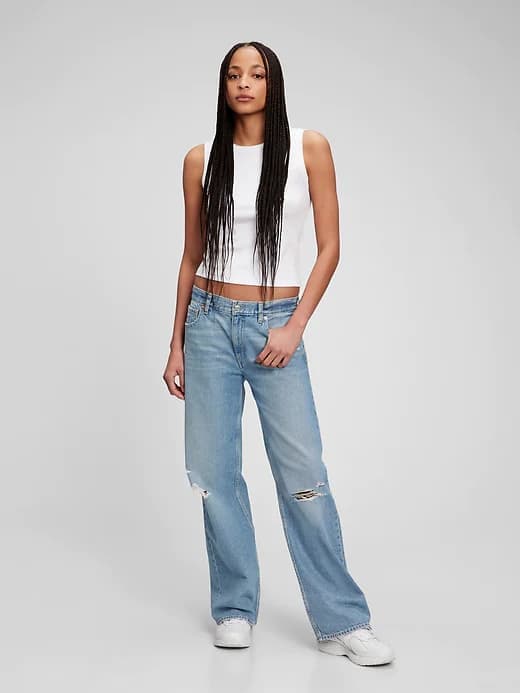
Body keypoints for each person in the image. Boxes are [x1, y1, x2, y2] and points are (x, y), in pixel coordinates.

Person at [163, 41, 395, 666]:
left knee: (303, 475)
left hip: (275, 324)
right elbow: (190, 256)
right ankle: (234, 607)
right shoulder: (200, 159)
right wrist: (176, 342)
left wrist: (294, 327)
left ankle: (342, 621)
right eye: (233, 74)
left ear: (273, 83)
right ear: (223, 86)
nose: (244, 83)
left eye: (256, 73)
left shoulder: (307, 148)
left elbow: (330, 247)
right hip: (208, 322)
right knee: (213, 474)